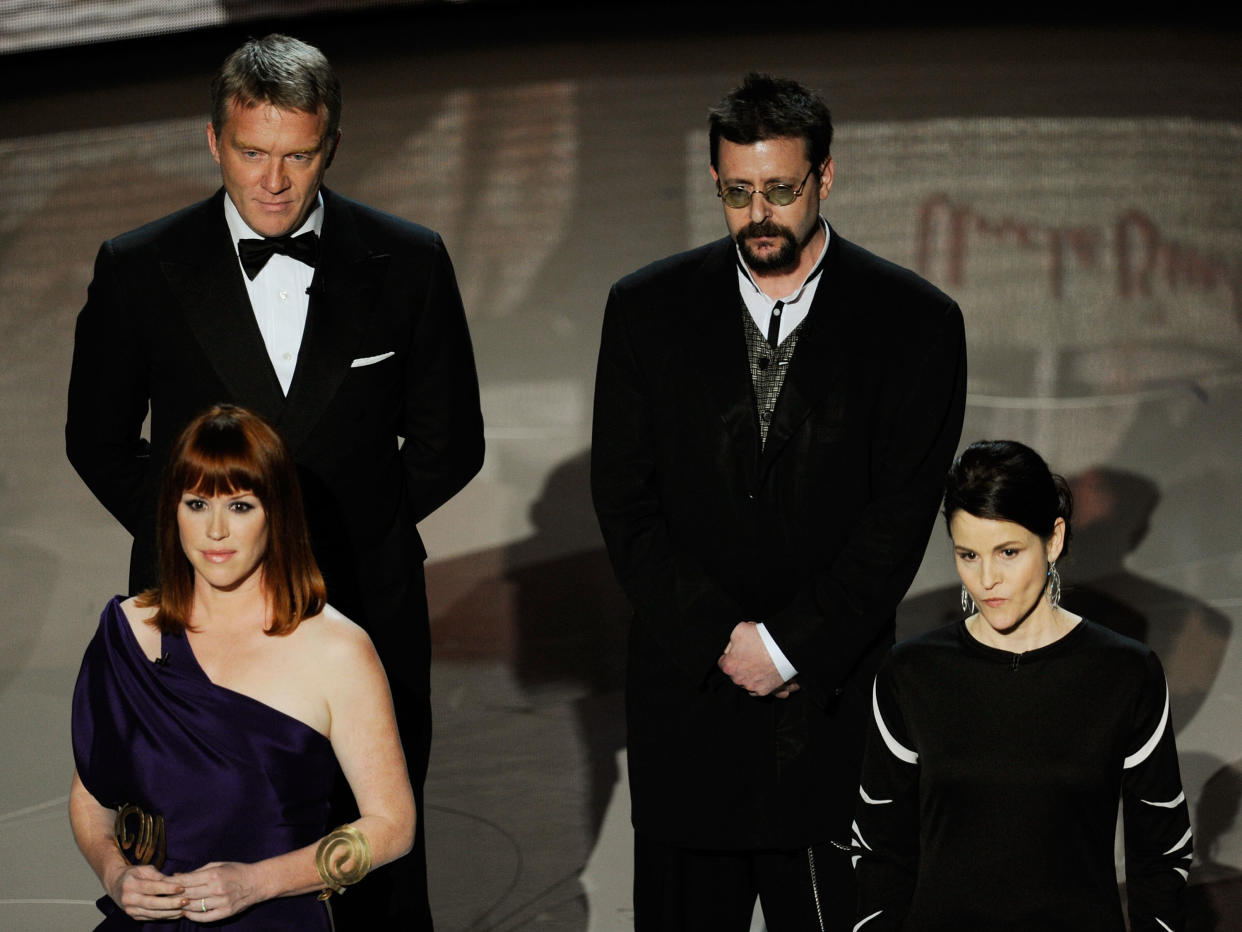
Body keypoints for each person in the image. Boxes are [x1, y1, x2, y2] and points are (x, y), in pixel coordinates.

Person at [65, 34, 483, 926]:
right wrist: (206, 549)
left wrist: (331, 539)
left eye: (298, 155)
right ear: (213, 141)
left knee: (381, 859)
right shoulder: (139, 269)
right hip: (196, 619)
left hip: (364, 600)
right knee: (179, 848)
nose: (274, 181)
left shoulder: (407, 260)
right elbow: (98, 442)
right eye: (253, 153)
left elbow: (452, 443)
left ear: (330, 145)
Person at [590, 72, 967, 930]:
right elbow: (624, 501)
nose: (758, 214)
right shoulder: (645, 311)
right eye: (737, 192)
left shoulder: (915, 322)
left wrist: (792, 646)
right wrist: (723, 637)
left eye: (780, 191)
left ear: (825, 178)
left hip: (828, 722)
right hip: (688, 718)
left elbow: (898, 519)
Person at [70, 404, 416, 929]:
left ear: (275, 514)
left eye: (239, 506)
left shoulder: (336, 650)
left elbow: (392, 826)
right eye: (196, 503)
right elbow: (90, 799)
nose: (214, 531)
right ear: (173, 511)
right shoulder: (129, 634)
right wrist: (115, 875)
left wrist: (257, 883)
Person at [852, 440, 1193, 931]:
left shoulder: (1124, 672)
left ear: (1053, 540)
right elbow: (878, 852)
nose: (987, 578)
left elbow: (1162, 855)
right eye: (968, 555)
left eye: (1008, 552)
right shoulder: (912, 674)